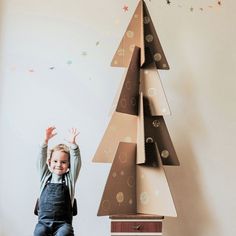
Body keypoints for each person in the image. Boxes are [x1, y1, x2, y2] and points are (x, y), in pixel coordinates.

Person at [34, 126, 81, 236]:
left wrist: (73, 145)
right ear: (49, 162)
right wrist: (45, 141)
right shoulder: (44, 176)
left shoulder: (70, 179)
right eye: (55, 161)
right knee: (39, 233)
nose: (59, 164)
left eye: (63, 162)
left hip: (63, 224)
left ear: (69, 165)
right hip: (43, 223)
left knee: (64, 234)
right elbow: (40, 159)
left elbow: (77, 162)